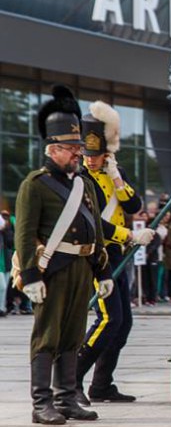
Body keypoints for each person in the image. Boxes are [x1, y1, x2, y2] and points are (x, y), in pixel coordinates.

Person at [15, 86, 110, 424]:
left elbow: (96, 232)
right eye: (72, 148)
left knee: (72, 335)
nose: (78, 154)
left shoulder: (83, 184)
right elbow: (24, 235)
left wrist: (104, 273)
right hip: (52, 270)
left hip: (81, 269)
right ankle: (42, 403)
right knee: (47, 337)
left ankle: (66, 399)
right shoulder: (35, 184)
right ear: (53, 149)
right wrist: (30, 277)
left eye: (78, 147)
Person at [75, 102, 153, 405]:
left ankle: (102, 385)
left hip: (117, 255)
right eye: (88, 155)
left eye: (97, 155)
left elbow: (134, 206)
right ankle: (71, 380)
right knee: (109, 319)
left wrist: (117, 177)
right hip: (97, 256)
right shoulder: (80, 180)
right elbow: (96, 224)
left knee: (124, 323)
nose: (91, 160)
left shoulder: (112, 173)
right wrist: (131, 235)